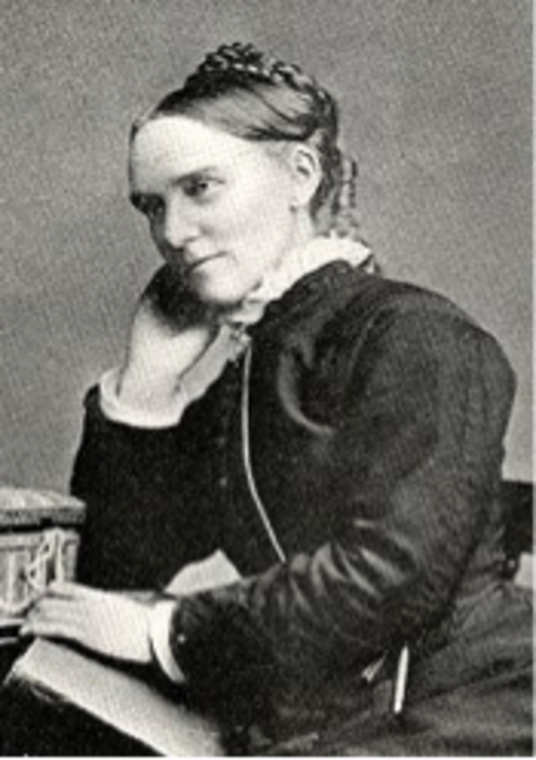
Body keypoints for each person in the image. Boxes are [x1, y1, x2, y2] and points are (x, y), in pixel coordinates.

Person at [20, 42, 536, 758]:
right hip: (328, 714)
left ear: (300, 175)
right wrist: (146, 384)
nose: (172, 233)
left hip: (467, 705)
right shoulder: (255, 366)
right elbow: (114, 579)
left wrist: (166, 630)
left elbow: (393, 577)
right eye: (152, 206)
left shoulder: (415, 334)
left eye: (200, 188)